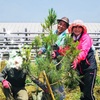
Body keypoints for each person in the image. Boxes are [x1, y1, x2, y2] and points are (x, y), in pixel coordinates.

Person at [53, 20, 97, 100]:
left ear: (82, 29)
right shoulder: (71, 39)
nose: (77, 29)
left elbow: (84, 52)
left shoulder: (85, 38)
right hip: (80, 69)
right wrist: (57, 51)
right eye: (75, 27)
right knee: (82, 92)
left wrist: (76, 59)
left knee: (88, 93)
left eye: (79, 27)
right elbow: (66, 50)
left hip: (89, 67)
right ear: (72, 29)